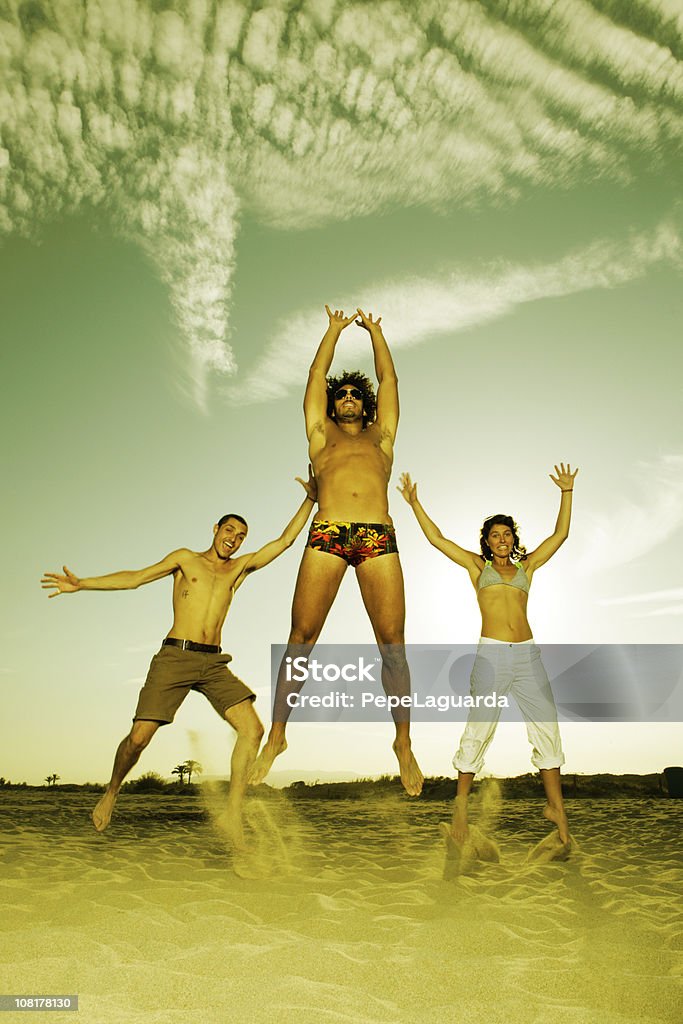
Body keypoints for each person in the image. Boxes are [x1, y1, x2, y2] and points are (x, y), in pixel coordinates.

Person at [41, 472, 318, 845]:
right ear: (216, 528)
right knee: (139, 739)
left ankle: (232, 814)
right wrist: (82, 583)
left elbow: (284, 541)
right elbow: (135, 578)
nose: (233, 540)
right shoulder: (185, 559)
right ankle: (112, 791)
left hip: (214, 662)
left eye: (240, 537)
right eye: (229, 531)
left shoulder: (238, 568)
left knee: (253, 730)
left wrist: (310, 500)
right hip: (175, 656)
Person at [249, 306, 423, 796]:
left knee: (394, 646)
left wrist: (376, 335)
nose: (346, 398)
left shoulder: (382, 440)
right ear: (332, 404)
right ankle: (278, 735)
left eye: (353, 394)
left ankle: (403, 742)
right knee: (300, 637)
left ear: (364, 405)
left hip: (375, 536)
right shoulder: (319, 437)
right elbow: (314, 375)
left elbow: (389, 378)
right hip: (327, 532)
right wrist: (331, 331)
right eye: (339, 394)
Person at [399, 464, 578, 845]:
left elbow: (560, 534)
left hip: (528, 656)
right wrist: (415, 503)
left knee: (547, 727)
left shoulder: (527, 566)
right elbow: (437, 539)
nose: (501, 538)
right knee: (479, 731)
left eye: (506, 533)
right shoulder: (477, 567)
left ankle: (556, 809)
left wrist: (566, 492)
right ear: (486, 541)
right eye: (494, 534)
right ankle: (461, 808)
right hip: (492, 655)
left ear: (514, 539)